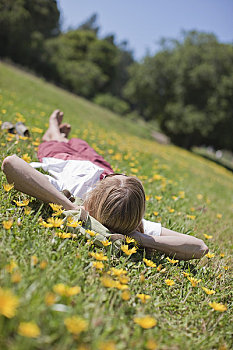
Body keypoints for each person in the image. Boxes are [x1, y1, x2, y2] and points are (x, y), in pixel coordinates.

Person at [2, 110, 209, 260]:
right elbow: (199, 247)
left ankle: (54, 128)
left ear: (90, 202)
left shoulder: (74, 194)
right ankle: (63, 135)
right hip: (99, 165)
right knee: (81, 142)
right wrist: (142, 237)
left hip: (64, 158)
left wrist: (71, 207)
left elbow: (11, 164)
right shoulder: (132, 219)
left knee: (55, 139)